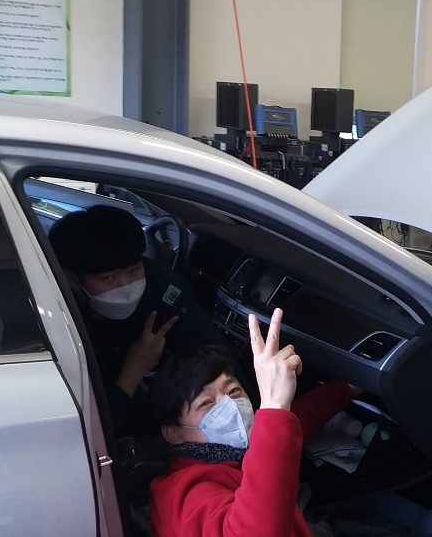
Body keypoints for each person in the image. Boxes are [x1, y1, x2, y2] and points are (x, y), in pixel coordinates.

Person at [148, 309, 353, 537]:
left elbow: (284, 431)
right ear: (175, 434)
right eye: (206, 403)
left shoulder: (229, 454)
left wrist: (345, 388)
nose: (230, 406)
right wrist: (274, 405)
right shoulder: (182, 496)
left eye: (233, 391)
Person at [49, 204, 225, 435]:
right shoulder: (56, 319)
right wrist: (134, 369)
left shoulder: (160, 285)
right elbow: (95, 433)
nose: (127, 287)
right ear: (71, 278)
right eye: (108, 278)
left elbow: (212, 349)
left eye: (133, 271)